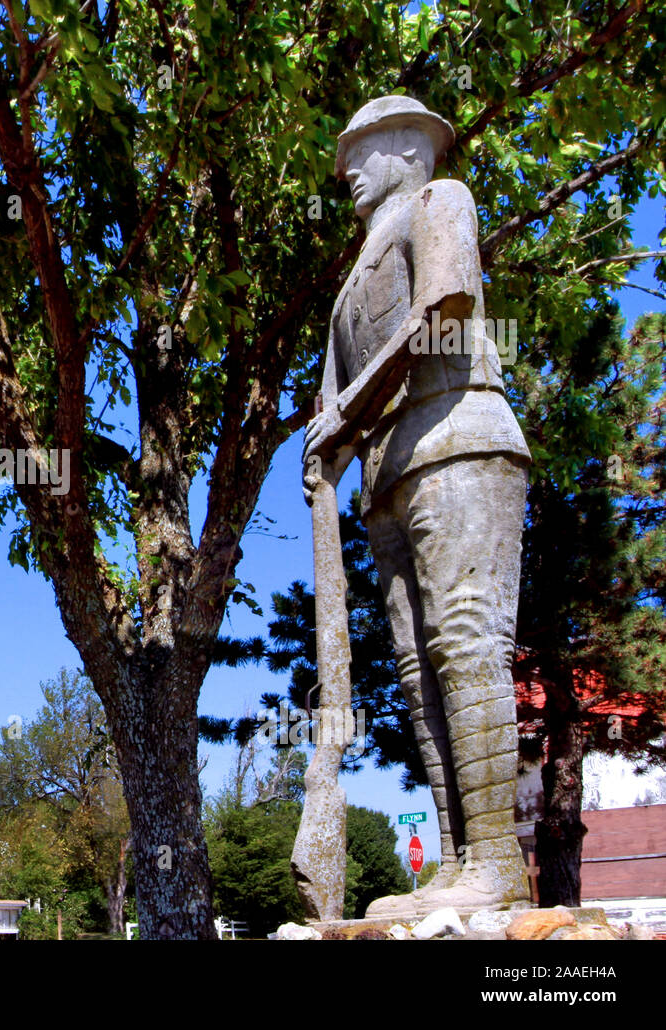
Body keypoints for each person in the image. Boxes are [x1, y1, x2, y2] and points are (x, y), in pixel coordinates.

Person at [302, 95, 531, 915]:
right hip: (388, 479)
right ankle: (458, 862)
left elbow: (444, 310)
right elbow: (330, 404)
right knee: (415, 666)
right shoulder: (348, 281)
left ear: (407, 149)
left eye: (361, 154)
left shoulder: (441, 202)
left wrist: (348, 408)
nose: (349, 174)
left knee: (466, 641)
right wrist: (324, 447)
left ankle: (499, 859)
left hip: (458, 441)